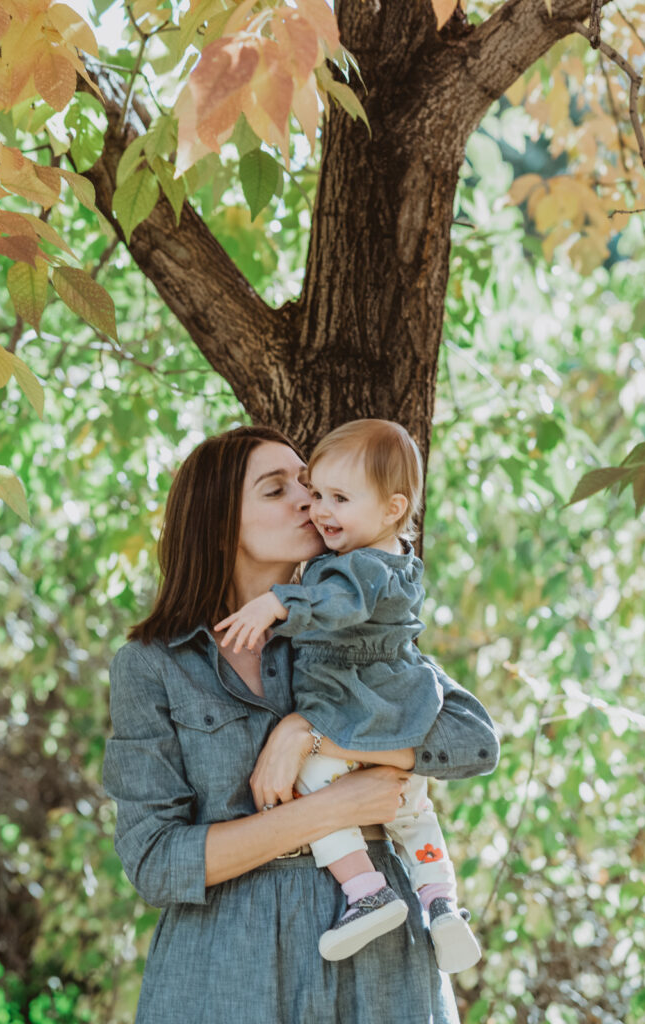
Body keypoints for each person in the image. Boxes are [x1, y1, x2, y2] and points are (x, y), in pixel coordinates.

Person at [103, 424, 499, 1024]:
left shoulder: (354, 633)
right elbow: (156, 863)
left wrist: (310, 735)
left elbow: (470, 741)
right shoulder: (153, 666)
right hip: (226, 973)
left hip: (381, 976)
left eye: (309, 485)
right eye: (276, 489)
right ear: (218, 522)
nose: (308, 503)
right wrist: (327, 811)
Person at [215, 420, 481, 969]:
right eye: (317, 494)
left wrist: (280, 605)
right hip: (394, 710)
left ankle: (366, 891)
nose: (317, 509)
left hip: (347, 705)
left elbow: (341, 601)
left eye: (337, 497)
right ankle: (440, 903)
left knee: (311, 787)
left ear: (392, 509)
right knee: (414, 811)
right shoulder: (394, 559)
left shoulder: (360, 569)